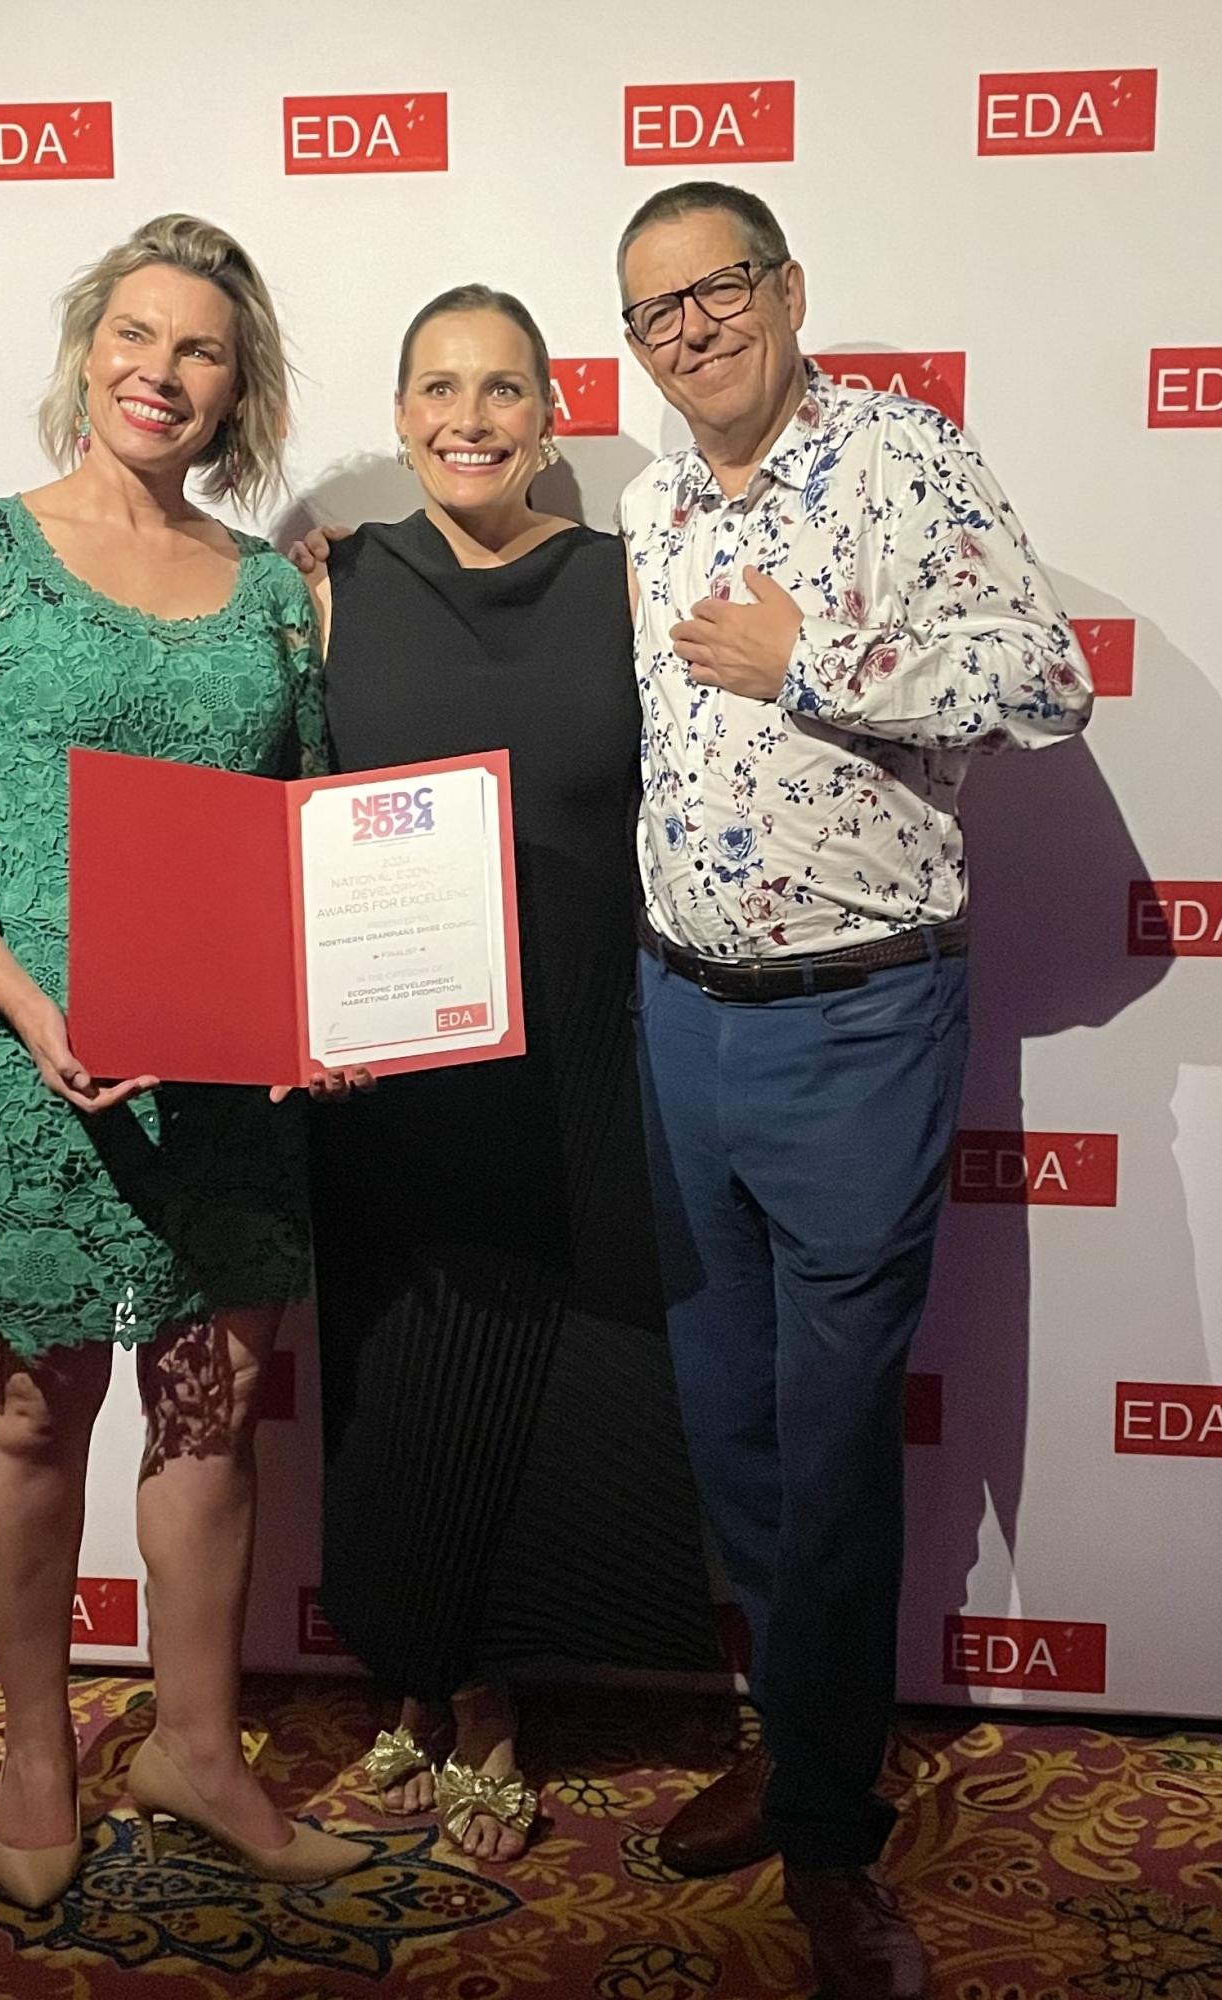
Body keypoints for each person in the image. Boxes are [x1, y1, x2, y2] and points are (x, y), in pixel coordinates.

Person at [0, 213, 362, 1908]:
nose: (162, 370)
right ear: (88, 350)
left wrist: (324, 1015)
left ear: (239, 390)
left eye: (201, 348)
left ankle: (199, 1753)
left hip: (225, 1079)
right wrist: (31, 1001)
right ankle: (37, 1746)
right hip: (28, 1061)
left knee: (211, 1416)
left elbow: (303, 839)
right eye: (136, 336)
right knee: (31, 1415)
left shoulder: (272, 594)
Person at [616, 181, 1092, 1997]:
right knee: (732, 1417)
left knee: (830, 1434)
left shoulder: (905, 455)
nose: (693, 330)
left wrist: (809, 654)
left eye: (720, 289)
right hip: (682, 1013)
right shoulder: (655, 505)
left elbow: (1043, 681)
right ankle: (790, 1731)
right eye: (656, 313)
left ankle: (830, 1829)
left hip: (858, 1022)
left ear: (789, 288)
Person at [291, 286, 714, 1863]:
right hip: (392, 1074)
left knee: (556, 1377)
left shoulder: (626, 580)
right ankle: (417, 1682)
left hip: (588, 1048)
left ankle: (493, 1708)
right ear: (399, 415)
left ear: (550, 415)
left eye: (502, 389)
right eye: (436, 387)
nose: (467, 417)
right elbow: (288, 815)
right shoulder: (338, 587)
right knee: (397, 1369)